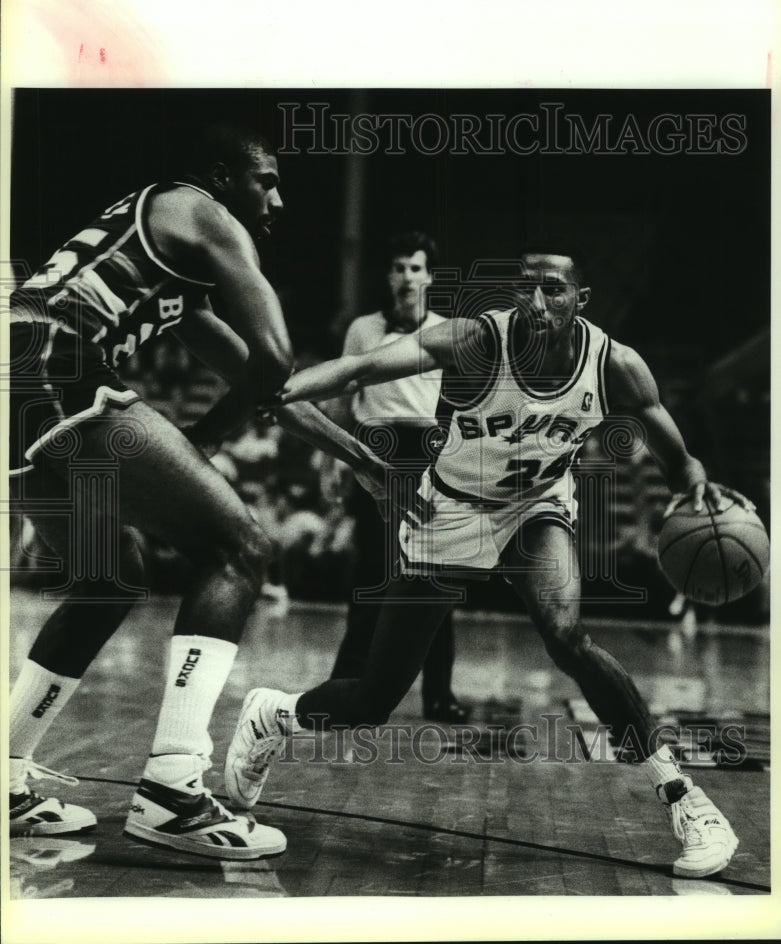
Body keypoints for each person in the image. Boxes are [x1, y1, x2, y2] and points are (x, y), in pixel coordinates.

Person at [225, 247, 751, 878]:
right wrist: (284, 388)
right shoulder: (477, 339)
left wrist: (693, 479)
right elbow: (361, 368)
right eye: (525, 290)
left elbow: (673, 450)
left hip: (535, 507)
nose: (535, 303)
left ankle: (683, 796)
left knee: (566, 636)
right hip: (449, 512)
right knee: (372, 699)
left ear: (581, 301)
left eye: (553, 292)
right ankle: (274, 714)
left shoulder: (617, 366)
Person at [7, 121, 388, 860]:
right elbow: (275, 356)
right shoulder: (203, 211)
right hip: (48, 361)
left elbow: (267, 383)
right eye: (265, 180)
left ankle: (5, 776)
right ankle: (173, 790)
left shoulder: (167, 256)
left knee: (110, 577)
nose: (277, 198)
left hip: (12, 376)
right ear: (222, 178)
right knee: (241, 548)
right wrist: (208, 438)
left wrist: (356, 456)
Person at [322, 231, 468, 722]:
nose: (407, 277)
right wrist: (330, 462)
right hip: (374, 452)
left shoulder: (450, 331)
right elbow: (341, 398)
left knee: (436, 578)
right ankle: (346, 688)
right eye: (399, 267)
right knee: (371, 576)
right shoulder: (364, 331)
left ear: (429, 277)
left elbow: (465, 408)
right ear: (388, 276)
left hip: (430, 455)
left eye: (416, 268)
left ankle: (439, 695)